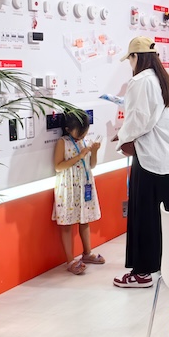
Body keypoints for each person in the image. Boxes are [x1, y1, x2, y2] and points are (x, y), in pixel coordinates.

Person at [113, 36, 169, 288]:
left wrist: (122, 137)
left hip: (149, 159)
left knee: (145, 216)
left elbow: (139, 120)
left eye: (130, 59)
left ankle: (142, 272)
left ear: (136, 57)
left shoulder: (140, 81)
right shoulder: (168, 81)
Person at [52, 110, 104, 275]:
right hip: (68, 187)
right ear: (68, 129)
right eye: (80, 132)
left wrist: (94, 152)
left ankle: (87, 253)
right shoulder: (63, 142)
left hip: (84, 184)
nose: (83, 135)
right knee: (67, 224)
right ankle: (70, 260)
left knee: (84, 219)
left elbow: (91, 165)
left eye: (85, 131)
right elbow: (58, 166)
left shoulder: (85, 140)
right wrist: (79, 156)